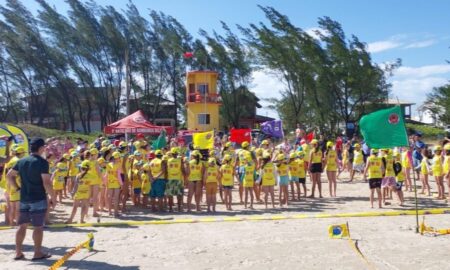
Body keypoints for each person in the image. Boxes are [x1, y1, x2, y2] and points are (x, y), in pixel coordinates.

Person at [7, 138, 55, 261]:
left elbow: (9, 176)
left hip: (23, 198)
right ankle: (37, 253)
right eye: (44, 147)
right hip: (38, 198)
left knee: (21, 226)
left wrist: (17, 188)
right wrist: (53, 197)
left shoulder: (22, 161)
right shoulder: (42, 162)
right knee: (38, 227)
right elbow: (46, 182)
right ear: (41, 148)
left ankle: (18, 253)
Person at [165, 147, 185, 212]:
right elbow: (182, 169)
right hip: (178, 179)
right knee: (179, 194)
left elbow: (166, 170)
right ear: (177, 153)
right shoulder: (180, 160)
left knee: (170, 195)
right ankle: (179, 208)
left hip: (170, 179)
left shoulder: (168, 160)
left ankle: (170, 208)